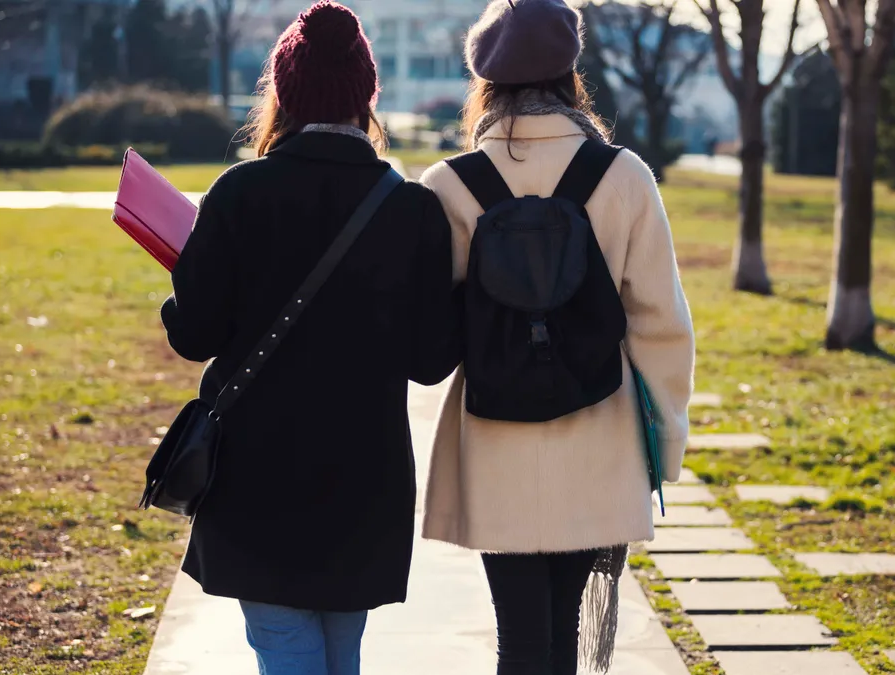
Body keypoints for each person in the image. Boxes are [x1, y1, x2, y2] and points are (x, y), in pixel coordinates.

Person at [159, 3, 461, 674]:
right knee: (338, 648)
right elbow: (431, 360)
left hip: (257, 470)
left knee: (285, 645)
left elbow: (195, 333)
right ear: (366, 96)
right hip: (364, 472)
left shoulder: (239, 193)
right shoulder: (411, 207)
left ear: (284, 94)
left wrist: (177, 279)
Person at [420, 1, 696, 673]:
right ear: (572, 74)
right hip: (596, 432)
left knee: (518, 633)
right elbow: (661, 324)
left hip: (494, 441)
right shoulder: (624, 176)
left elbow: (432, 330)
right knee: (563, 629)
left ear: (484, 79)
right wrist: (663, 448)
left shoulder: (447, 186)